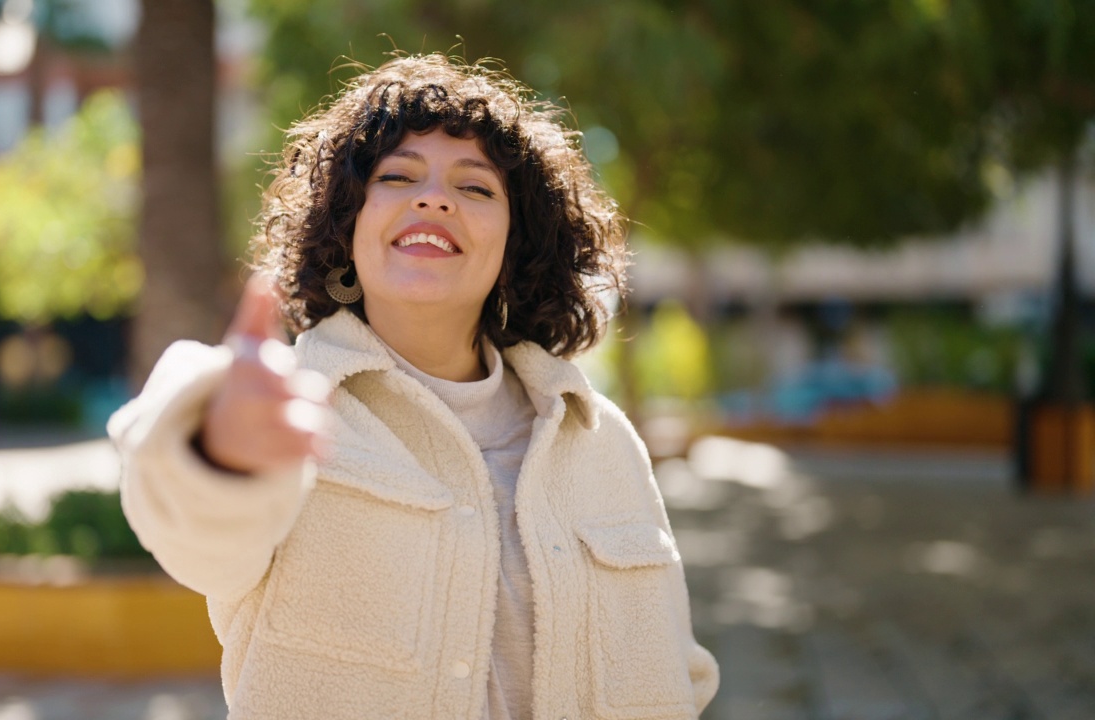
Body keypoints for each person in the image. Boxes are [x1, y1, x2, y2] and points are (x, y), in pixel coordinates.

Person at [109, 53, 719, 720]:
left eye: (477, 188)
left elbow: (677, 673)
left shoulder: (604, 442)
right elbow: (195, 537)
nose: (434, 198)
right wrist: (219, 453)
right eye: (397, 177)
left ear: (516, 248)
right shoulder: (285, 408)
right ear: (346, 228)